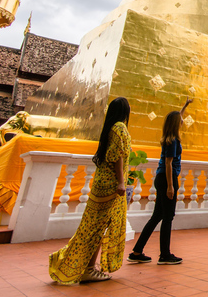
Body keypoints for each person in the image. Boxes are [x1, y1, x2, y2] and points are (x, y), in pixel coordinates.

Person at [49, 97, 132, 284]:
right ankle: (88, 268)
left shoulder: (110, 128)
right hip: (111, 184)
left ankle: (77, 264)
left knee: (92, 227)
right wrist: (121, 182)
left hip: (101, 184)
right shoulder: (120, 128)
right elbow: (117, 156)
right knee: (97, 228)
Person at [128, 98, 192, 265]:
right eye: (181, 121)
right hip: (167, 179)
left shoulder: (169, 138)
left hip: (161, 178)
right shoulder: (173, 141)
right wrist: (171, 186)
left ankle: (137, 251)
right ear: (176, 124)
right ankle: (165, 254)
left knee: (157, 216)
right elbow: (169, 163)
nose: (183, 122)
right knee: (168, 216)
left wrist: (185, 106)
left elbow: (178, 116)